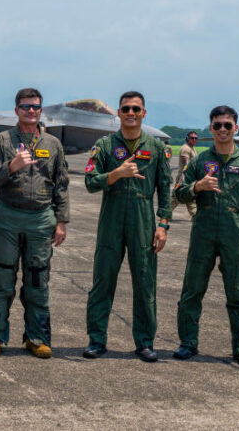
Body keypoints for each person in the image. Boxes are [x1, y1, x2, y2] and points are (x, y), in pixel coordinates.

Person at [0, 88, 69, 359]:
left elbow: (61, 185)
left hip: (41, 220)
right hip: (8, 218)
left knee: (38, 282)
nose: (31, 111)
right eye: (26, 106)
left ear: (41, 111)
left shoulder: (53, 145)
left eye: (36, 107)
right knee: (1, 280)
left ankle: (37, 337)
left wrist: (61, 221)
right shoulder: (2, 141)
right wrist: (11, 167)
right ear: (16, 110)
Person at [172, 106, 239, 366]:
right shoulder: (200, 161)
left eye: (227, 125)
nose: (223, 129)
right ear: (211, 128)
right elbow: (179, 193)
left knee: (238, 292)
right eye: (217, 125)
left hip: (234, 233)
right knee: (192, 290)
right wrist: (197, 186)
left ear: (235, 128)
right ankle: (187, 343)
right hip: (203, 230)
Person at [83, 91, 172, 362]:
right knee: (103, 281)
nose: (130, 113)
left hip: (143, 219)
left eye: (136, 109)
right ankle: (97, 340)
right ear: (118, 114)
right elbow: (90, 182)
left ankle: (145, 342)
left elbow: (165, 187)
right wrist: (115, 174)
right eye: (125, 109)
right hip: (112, 217)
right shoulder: (105, 146)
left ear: (144, 113)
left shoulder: (156, 148)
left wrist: (163, 224)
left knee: (145, 282)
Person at [170, 132, 199, 219]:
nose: (194, 139)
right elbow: (187, 164)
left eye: (195, 138)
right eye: (192, 138)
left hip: (188, 177)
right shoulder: (186, 148)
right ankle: (195, 215)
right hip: (184, 177)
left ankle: (166, 213)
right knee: (179, 196)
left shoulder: (191, 148)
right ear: (187, 138)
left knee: (180, 197)